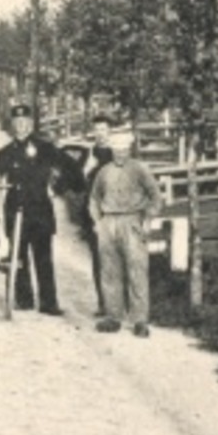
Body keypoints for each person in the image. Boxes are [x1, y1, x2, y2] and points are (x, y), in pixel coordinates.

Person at [0, 103, 82, 316]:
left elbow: (72, 167)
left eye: (25, 123)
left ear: (31, 124)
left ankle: (49, 302)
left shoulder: (45, 148)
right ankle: (24, 300)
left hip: (40, 211)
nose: (21, 127)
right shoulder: (4, 153)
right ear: (12, 125)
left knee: (43, 257)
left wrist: (58, 189)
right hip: (15, 210)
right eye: (16, 123)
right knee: (18, 257)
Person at [88, 129, 162, 338]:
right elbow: (94, 198)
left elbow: (156, 197)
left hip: (132, 221)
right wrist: (97, 221)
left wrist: (147, 219)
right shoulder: (104, 172)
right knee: (110, 271)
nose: (120, 154)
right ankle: (113, 317)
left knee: (137, 270)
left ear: (130, 149)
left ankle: (140, 320)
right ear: (111, 150)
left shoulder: (140, 169)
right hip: (108, 222)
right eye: (116, 150)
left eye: (124, 150)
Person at [82, 115, 117, 317]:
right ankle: (103, 303)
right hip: (94, 213)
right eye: (97, 129)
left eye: (103, 129)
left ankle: (118, 302)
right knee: (98, 258)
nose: (100, 133)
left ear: (109, 132)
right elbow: (80, 181)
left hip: (113, 212)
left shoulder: (116, 154)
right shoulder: (89, 154)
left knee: (115, 257)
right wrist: (87, 168)